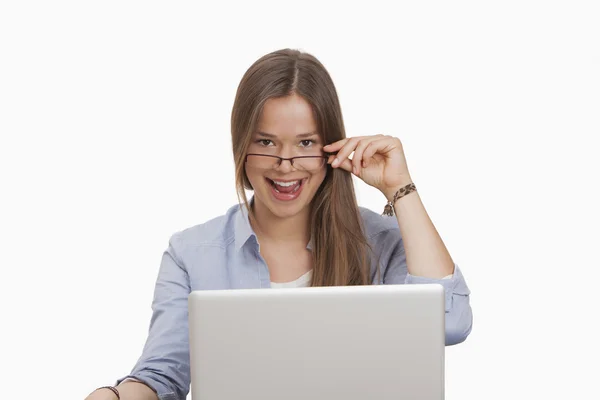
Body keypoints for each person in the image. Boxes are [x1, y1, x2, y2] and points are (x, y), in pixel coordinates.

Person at [86, 48, 472, 400]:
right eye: (267, 142)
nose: (285, 164)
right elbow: (161, 377)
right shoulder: (190, 253)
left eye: (305, 143)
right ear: (241, 147)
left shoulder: (381, 241)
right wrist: (115, 396)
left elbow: (449, 323)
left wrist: (399, 189)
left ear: (331, 148)